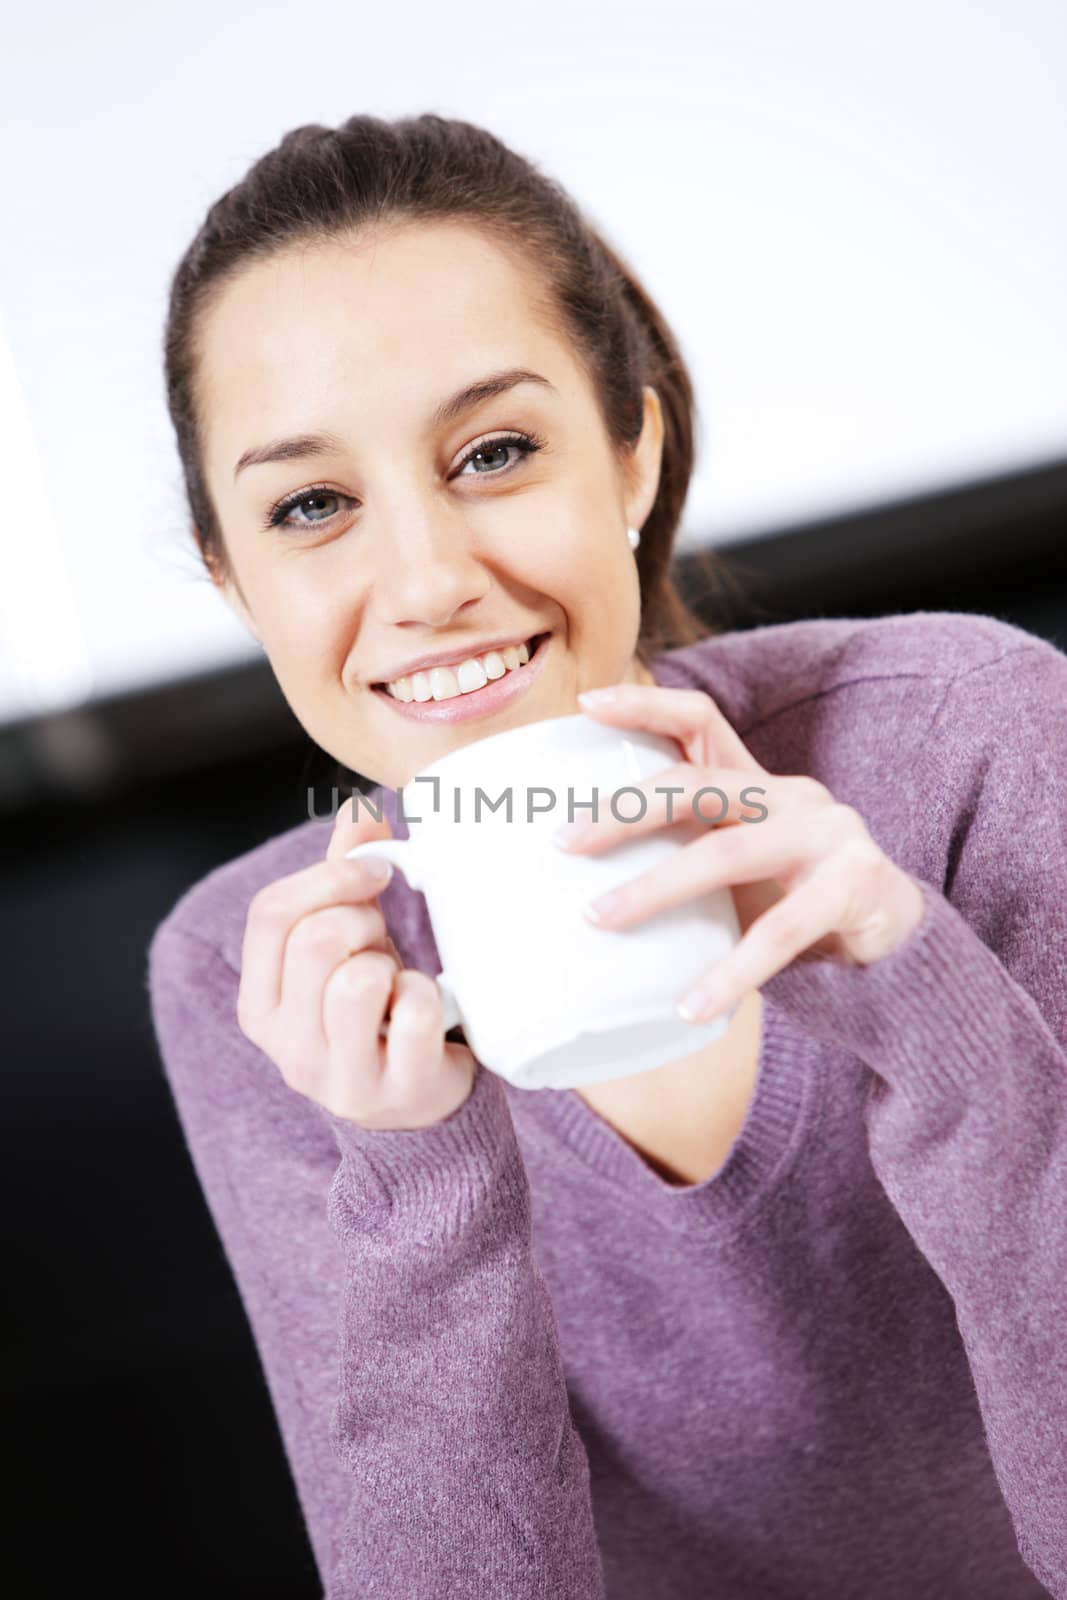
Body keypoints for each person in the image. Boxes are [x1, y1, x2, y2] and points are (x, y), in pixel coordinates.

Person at [147, 112, 1067, 1599]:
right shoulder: (244, 978)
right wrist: (417, 1176)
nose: (433, 580)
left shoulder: (969, 741)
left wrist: (935, 1021)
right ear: (231, 577)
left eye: (497, 452)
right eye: (311, 506)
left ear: (629, 453)